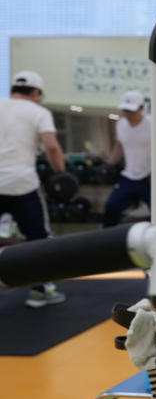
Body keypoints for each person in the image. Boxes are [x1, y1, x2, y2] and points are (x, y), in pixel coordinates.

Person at [0, 70, 68, 308]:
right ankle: (40, 291)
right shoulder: (39, 112)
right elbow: (51, 146)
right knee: (38, 239)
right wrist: (61, 172)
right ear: (37, 92)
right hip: (22, 186)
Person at [103, 90, 151, 227]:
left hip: (149, 177)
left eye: (131, 111)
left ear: (141, 108)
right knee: (111, 206)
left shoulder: (152, 125)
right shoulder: (121, 124)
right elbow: (119, 146)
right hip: (129, 176)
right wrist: (109, 164)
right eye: (125, 110)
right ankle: (107, 240)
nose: (127, 114)